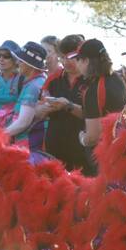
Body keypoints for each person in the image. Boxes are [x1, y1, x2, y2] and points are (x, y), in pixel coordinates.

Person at [75, 38, 126, 176]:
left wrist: (81, 137)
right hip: (125, 151)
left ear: (86, 61)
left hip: (104, 160)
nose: (77, 64)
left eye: (78, 59)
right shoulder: (117, 79)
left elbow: (92, 137)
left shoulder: (94, 89)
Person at [38, 34, 88, 170]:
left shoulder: (93, 80)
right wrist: (45, 109)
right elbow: (38, 111)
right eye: (62, 58)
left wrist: (68, 106)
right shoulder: (53, 79)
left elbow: (95, 116)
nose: (66, 62)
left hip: (83, 151)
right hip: (54, 148)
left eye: (71, 58)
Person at [0, 41, 49, 149]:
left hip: (29, 143)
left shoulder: (33, 86)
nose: (17, 63)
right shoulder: (37, 81)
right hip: (28, 141)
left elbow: (23, 122)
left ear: (30, 64)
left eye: (21, 60)